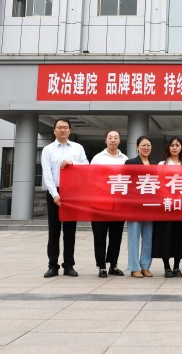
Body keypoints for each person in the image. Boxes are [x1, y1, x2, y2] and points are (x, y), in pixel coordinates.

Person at [41, 118, 88, 278]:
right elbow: (47, 174)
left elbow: (86, 166)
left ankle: (69, 265)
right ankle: (52, 266)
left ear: (70, 131)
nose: (62, 130)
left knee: (70, 231)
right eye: (59, 127)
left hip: (72, 193)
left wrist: (71, 163)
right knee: (54, 231)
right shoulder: (48, 149)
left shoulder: (78, 148)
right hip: (54, 191)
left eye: (65, 127)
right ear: (54, 130)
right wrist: (54, 194)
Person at [152, 136, 182, 278]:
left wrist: (181, 198)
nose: (175, 148)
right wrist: (169, 198)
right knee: (165, 236)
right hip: (166, 206)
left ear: (181, 148)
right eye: (172, 145)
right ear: (168, 147)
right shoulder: (162, 164)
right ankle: (167, 267)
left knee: (179, 236)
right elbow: (158, 184)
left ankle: (177, 267)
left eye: (177, 145)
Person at [89, 129, 129, 278]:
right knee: (99, 236)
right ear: (105, 140)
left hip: (118, 205)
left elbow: (128, 181)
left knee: (116, 237)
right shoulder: (97, 158)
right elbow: (90, 179)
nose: (113, 140)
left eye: (116, 137)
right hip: (99, 204)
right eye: (110, 137)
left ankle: (113, 265)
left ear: (119, 140)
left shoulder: (125, 159)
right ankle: (101, 266)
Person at [124, 136, 155, 278]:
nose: (146, 148)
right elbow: (126, 183)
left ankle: (145, 266)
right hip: (134, 206)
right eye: (143, 145)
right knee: (134, 237)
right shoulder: (130, 163)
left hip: (150, 206)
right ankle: (134, 267)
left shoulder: (155, 164)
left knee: (148, 238)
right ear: (137, 147)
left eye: (148, 145)